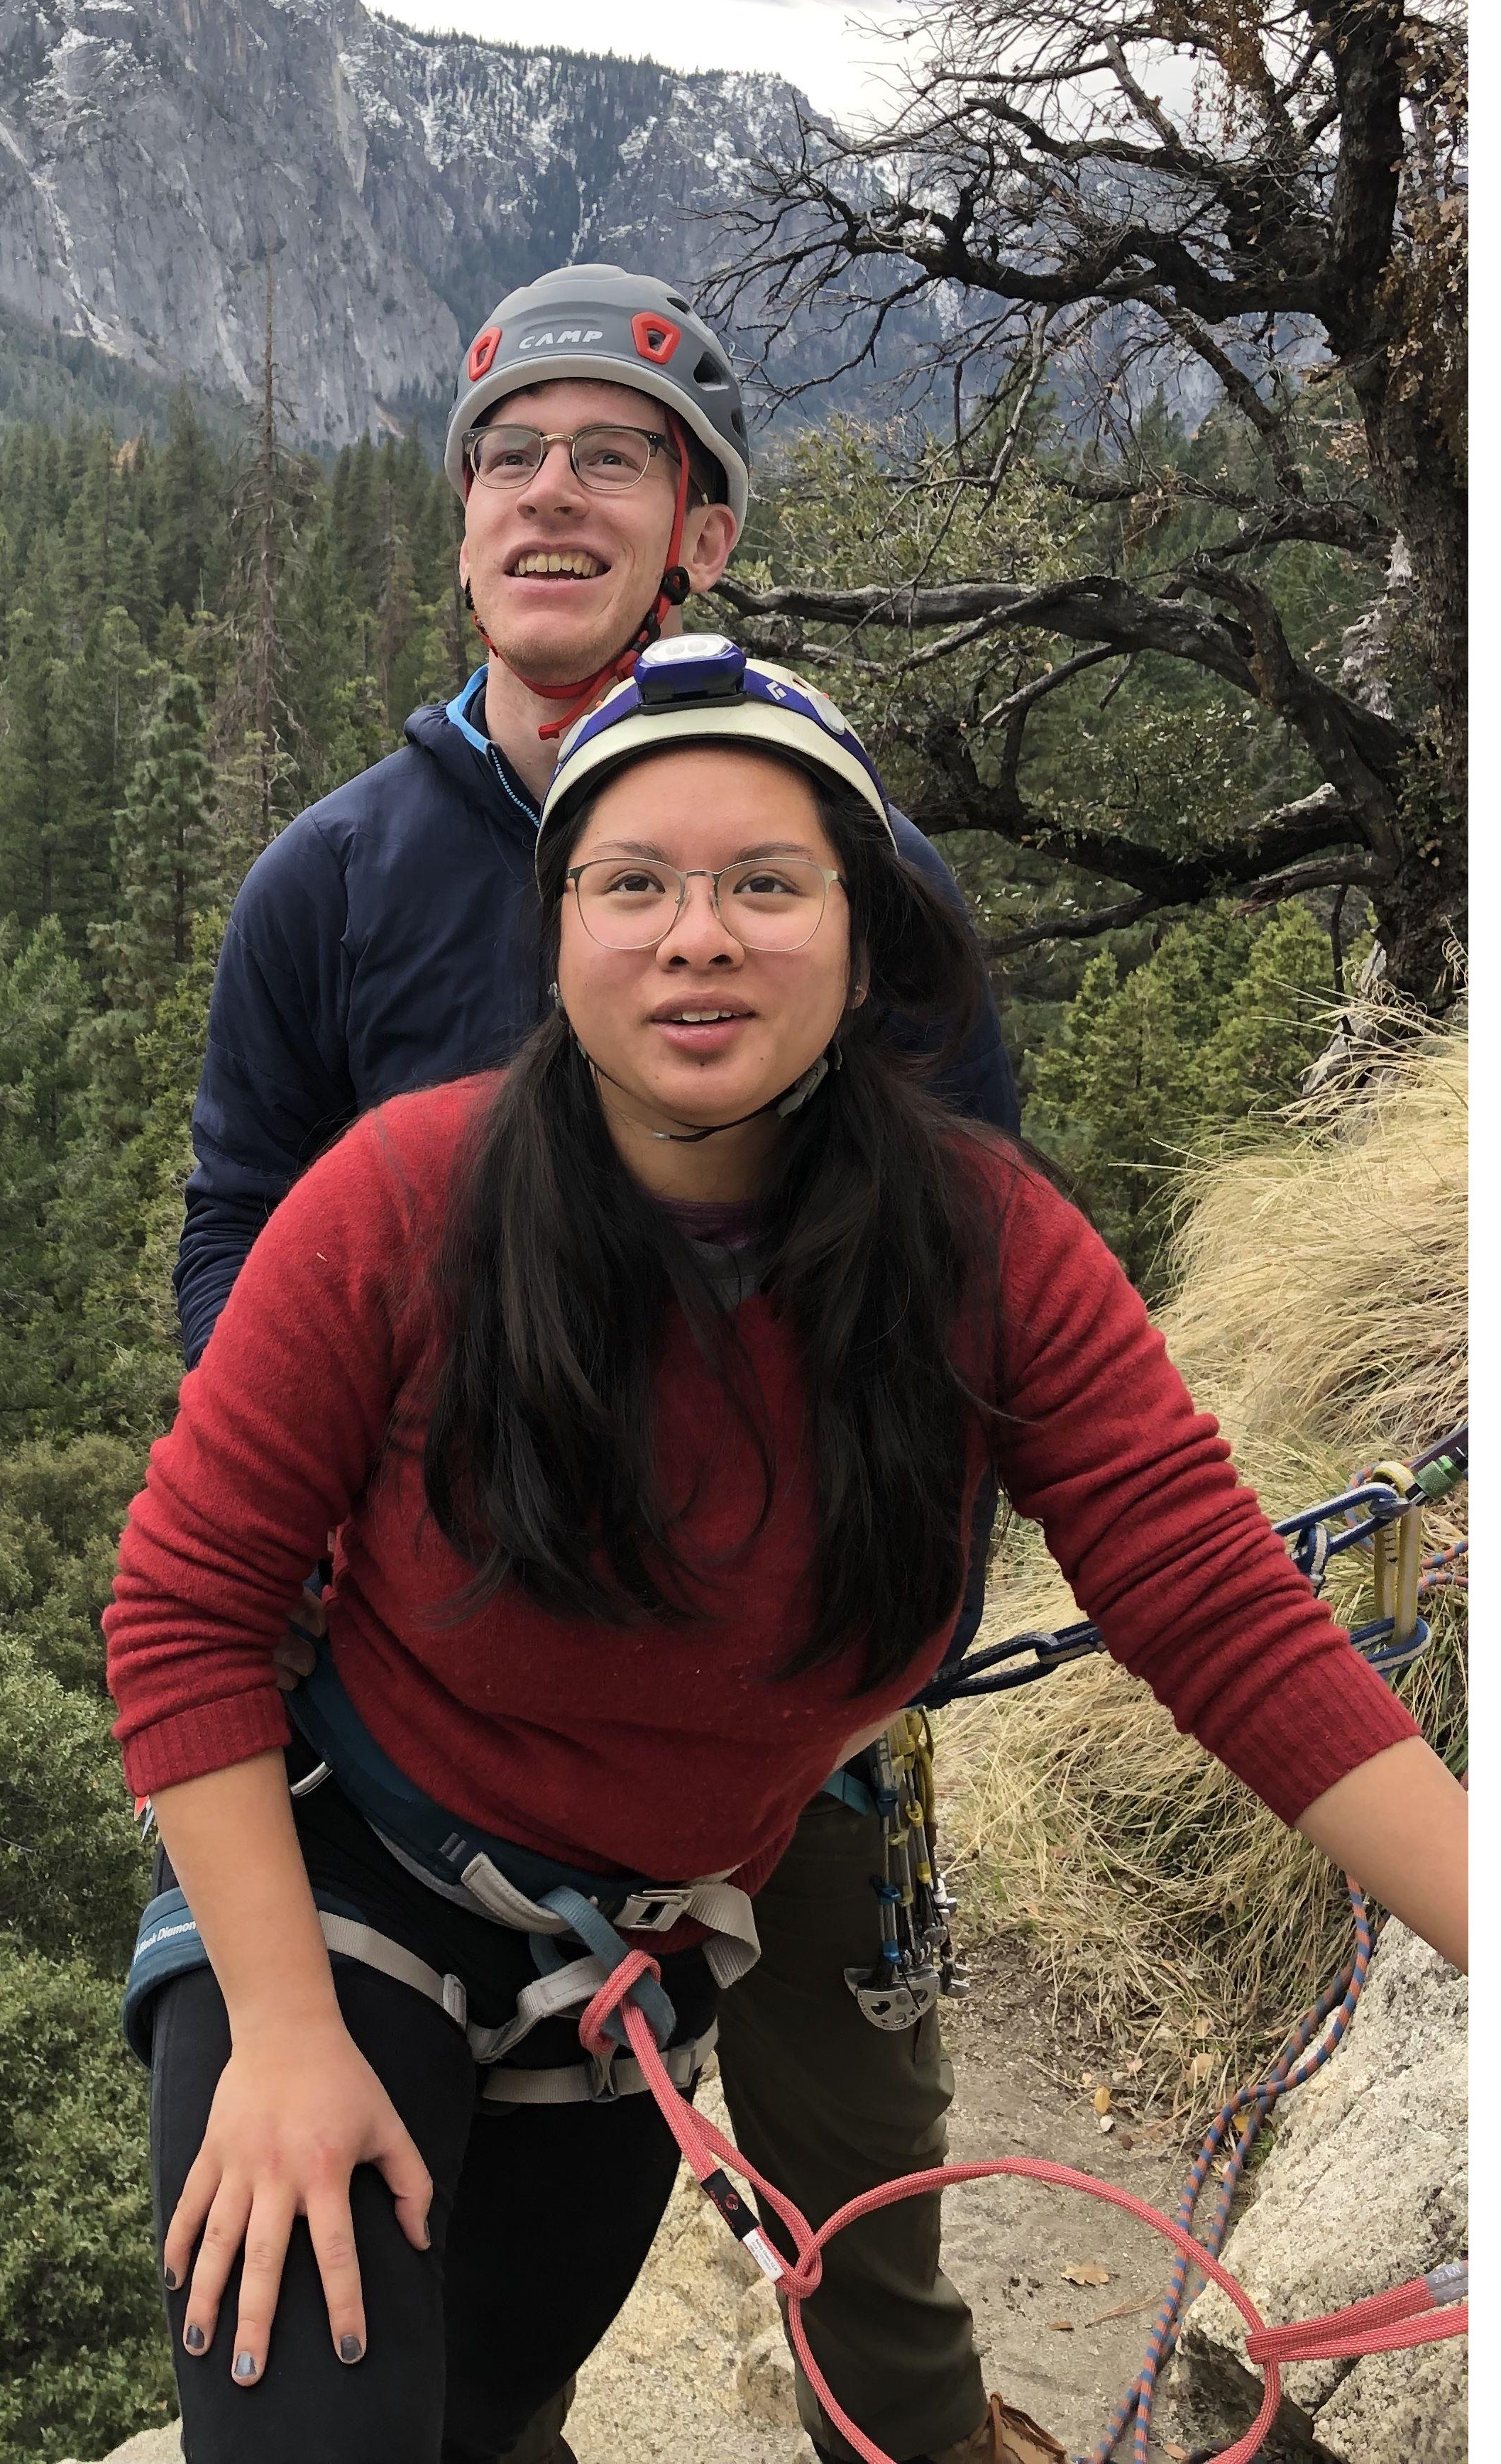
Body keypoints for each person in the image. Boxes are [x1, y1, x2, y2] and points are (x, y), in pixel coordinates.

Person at [105, 642, 1469, 2464]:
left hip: (628, 1966)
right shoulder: (401, 1204)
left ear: (862, 935)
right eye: (635, 885)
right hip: (349, 1888)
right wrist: (276, 2029)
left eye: (766, 883)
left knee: (491, 2416)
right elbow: (185, 1606)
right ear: (560, 932)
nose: (699, 935)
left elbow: (1219, 1612)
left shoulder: (987, 1251)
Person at [175, 263, 1038, 2464]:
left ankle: (909, 2440)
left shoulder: (849, 877)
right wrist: (300, 1552)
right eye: (510, 456)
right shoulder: (336, 888)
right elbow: (234, 1246)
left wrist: (876, 1614)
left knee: (868, 2165)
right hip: (423, 1687)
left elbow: (971, 1285)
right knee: (418, 2233)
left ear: (702, 533)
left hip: (797, 1706)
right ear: (460, 523)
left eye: (617, 456)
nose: (554, 498)